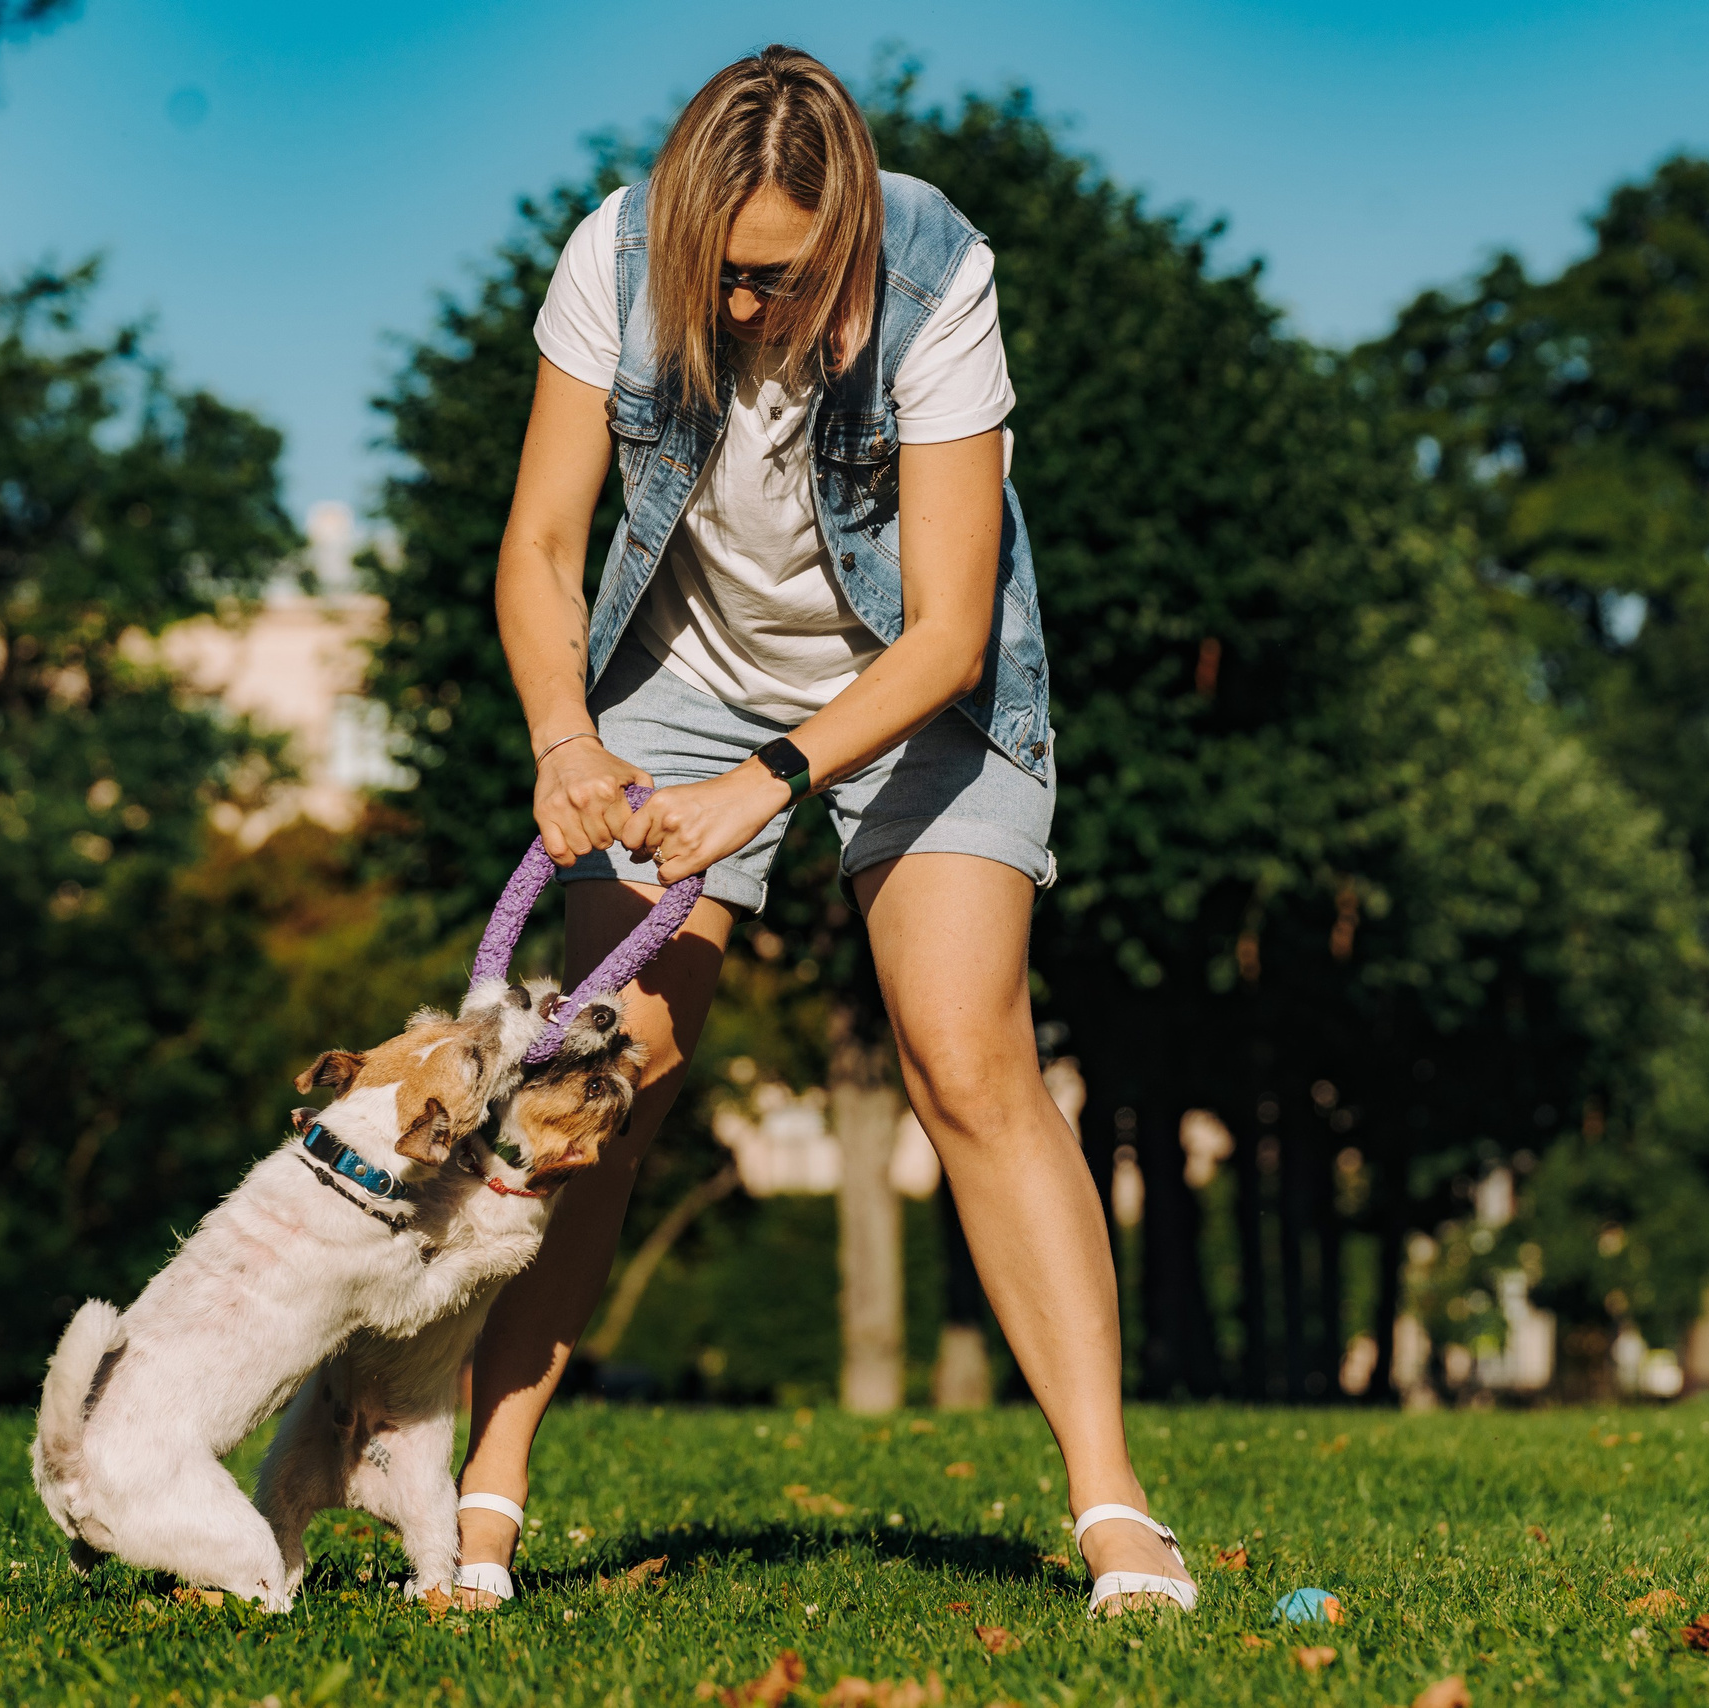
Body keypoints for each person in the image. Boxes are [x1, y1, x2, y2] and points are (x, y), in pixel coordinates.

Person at [452, 45, 1197, 1620]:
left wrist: (765, 787)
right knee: (612, 1075)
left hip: (912, 682)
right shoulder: (613, 253)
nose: (737, 314)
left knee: (963, 1053)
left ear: (848, 233)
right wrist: (564, 740)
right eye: (715, 278)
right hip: (677, 673)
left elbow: (941, 630)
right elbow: (536, 545)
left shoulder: (942, 277)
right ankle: (483, 1507)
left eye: (775, 281)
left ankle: (1117, 1513)